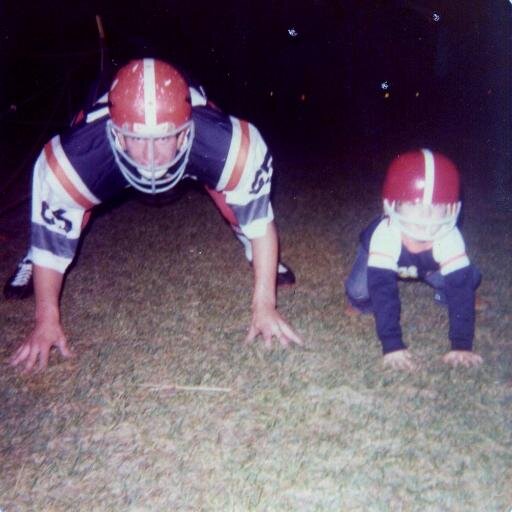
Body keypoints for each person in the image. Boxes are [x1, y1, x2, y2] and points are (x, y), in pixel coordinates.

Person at [7, 58, 303, 373]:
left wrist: (265, 305)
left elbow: (261, 225)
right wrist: (45, 320)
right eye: (137, 138)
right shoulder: (71, 161)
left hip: (196, 139)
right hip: (100, 146)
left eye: (163, 137)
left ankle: (253, 252)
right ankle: (31, 255)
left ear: (184, 132)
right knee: (60, 219)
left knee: (242, 208)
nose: (151, 155)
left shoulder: (231, 145)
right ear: (118, 134)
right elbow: (53, 246)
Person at [345, 148, 483, 371]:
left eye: (435, 208)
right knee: (360, 292)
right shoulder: (386, 234)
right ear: (393, 205)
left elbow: (460, 286)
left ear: (451, 209)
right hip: (387, 255)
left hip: (427, 266)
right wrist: (392, 345)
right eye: (413, 206)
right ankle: (362, 302)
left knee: (466, 281)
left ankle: (441, 291)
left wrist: (462, 345)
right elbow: (383, 290)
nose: (425, 218)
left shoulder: (448, 237)